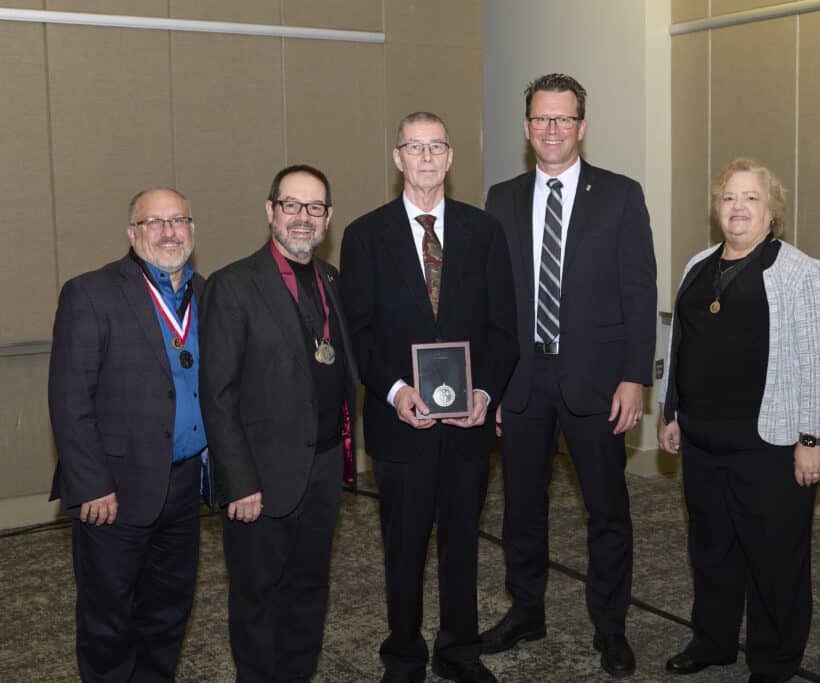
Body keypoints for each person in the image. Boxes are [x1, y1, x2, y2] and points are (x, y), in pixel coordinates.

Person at [480, 73, 657, 678]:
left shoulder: (620, 194)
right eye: (540, 119)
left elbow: (639, 290)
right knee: (520, 508)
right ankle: (525, 609)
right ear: (527, 128)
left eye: (563, 119)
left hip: (598, 382)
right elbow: (492, 300)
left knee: (607, 511)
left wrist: (636, 377)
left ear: (581, 126)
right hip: (522, 380)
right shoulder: (500, 198)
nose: (551, 130)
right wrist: (492, 383)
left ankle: (610, 626)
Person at [339, 112, 518, 683]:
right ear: (397, 158)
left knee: (462, 543)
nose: (425, 157)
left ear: (450, 156)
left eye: (435, 146)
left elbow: (503, 329)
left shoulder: (483, 231)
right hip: (401, 425)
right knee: (404, 546)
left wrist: (486, 392)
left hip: (468, 424)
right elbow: (356, 332)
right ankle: (405, 654)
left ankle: (459, 651)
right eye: (413, 147)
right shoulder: (364, 235)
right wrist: (394, 393)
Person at [657, 158, 820, 683]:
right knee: (711, 549)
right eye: (729, 198)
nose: (738, 208)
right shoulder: (698, 264)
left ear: (772, 211)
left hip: (772, 445)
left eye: (751, 198)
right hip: (701, 439)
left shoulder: (801, 271)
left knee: (774, 558)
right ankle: (712, 641)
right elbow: (682, 344)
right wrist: (671, 411)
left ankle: (774, 661)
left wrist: (812, 437)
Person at [199, 164, 358, 681]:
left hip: (323, 467)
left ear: (329, 218)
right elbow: (217, 396)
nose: (303, 218)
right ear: (270, 211)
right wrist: (238, 483)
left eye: (315, 208)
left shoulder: (333, 280)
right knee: (257, 597)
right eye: (291, 205)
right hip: (261, 479)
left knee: (310, 589)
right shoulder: (232, 285)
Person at [48, 188, 207, 682]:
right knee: (108, 620)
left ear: (192, 230)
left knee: (167, 612)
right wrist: (92, 483)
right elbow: (69, 399)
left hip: (184, 486)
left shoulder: (210, 294)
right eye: (153, 222)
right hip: (114, 490)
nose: (167, 232)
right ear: (132, 234)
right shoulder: (91, 292)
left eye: (177, 220)